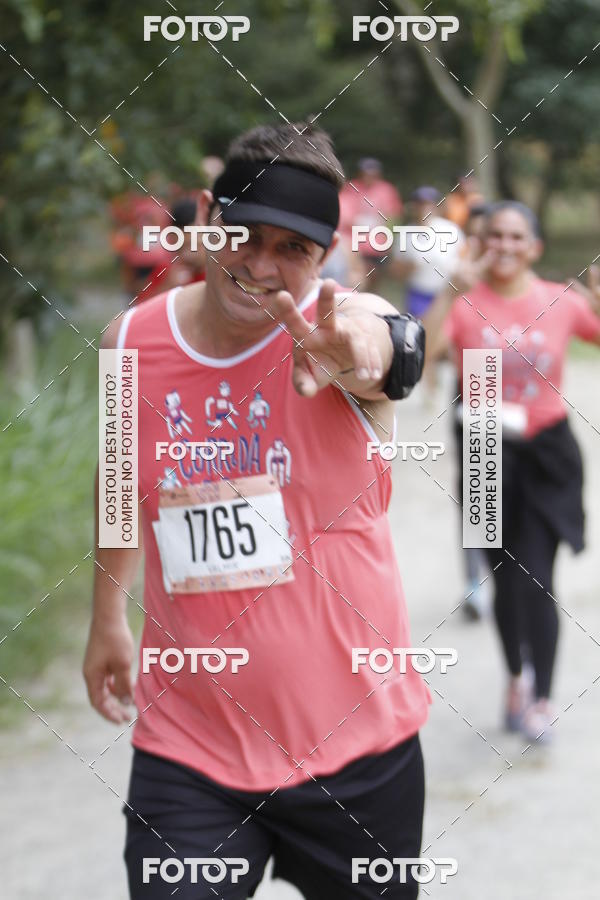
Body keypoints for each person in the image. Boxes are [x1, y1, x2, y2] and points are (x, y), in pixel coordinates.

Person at [84, 121, 431, 900]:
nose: (263, 266)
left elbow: (388, 347)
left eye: (294, 250)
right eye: (244, 233)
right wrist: (107, 614)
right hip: (190, 747)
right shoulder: (125, 345)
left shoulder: (333, 336)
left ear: (325, 257)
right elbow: (116, 480)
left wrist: (375, 355)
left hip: (358, 752)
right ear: (207, 214)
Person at [424, 200, 600, 741]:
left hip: (547, 453)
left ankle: (542, 698)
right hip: (483, 447)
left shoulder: (562, 301)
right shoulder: (462, 303)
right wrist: (448, 291)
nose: (505, 244)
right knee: (504, 579)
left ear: (535, 247)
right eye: (494, 235)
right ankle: (516, 679)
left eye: (516, 236)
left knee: (538, 579)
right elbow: (418, 357)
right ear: (480, 243)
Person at [391, 186, 464, 319]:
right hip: (418, 293)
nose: (424, 208)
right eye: (420, 204)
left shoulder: (451, 229)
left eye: (429, 204)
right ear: (413, 207)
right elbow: (396, 270)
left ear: (437, 207)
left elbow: (464, 257)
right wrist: (409, 268)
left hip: (445, 293)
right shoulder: (405, 234)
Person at [338, 157, 403, 291]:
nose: (369, 176)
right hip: (356, 245)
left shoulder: (386, 190)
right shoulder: (351, 188)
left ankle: (372, 301)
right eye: (366, 172)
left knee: (375, 279)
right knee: (358, 279)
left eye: (372, 173)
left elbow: (393, 216)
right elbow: (344, 215)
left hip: (378, 244)